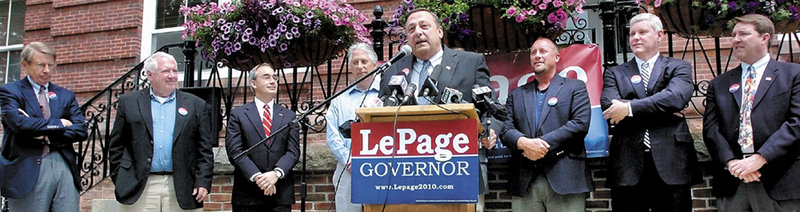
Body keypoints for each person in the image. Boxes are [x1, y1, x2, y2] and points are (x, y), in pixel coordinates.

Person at [377, 8, 497, 210]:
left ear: (440, 32)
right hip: (405, 171)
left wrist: (491, 129)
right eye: (411, 29)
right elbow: (381, 112)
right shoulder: (393, 70)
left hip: (458, 167)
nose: (418, 32)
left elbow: (491, 105)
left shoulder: (470, 62)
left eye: (424, 26)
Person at [600, 13, 701, 211]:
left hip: (672, 162)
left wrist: (628, 108)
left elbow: (676, 97)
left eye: (642, 32)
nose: (636, 37)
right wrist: (663, 109)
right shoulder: (615, 72)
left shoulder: (678, 67)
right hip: (628, 164)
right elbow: (608, 104)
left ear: (659, 35)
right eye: (632, 34)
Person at [703, 14, 800, 211]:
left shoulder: (793, 75)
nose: (736, 39)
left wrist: (760, 158)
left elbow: (796, 122)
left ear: (764, 38)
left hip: (778, 181)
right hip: (734, 182)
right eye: (734, 34)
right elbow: (711, 130)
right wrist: (732, 163)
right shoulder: (719, 83)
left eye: (744, 34)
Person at [108, 52, 214, 211]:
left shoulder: (196, 105)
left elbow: (204, 149)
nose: (172, 76)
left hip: (182, 186)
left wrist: (203, 181)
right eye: (165, 71)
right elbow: (116, 145)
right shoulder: (128, 102)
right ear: (150, 75)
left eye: (174, 71)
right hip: (141, 187)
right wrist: (122, 177)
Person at [501, 37, 592, 212]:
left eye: (543, 51)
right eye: (533, 52)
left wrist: (539, 144)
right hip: (525, 180)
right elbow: (505, 129)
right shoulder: (517, 94)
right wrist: (524, 143)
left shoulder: (575, 87)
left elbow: (579, 124)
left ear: (557, 57)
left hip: (565, 177)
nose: (537, 56)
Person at [0, 42, 87, 212]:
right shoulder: (10, 92)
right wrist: (60, 123)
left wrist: (45, 135)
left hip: (63, 164)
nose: (47, 70)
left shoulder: (65, 95)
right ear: (25, 64)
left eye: (51, 65)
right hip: (26, 168)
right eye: (41, 65)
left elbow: (80, 130)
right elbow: (20, 125)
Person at [226, 63, 299, 212]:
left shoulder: (288, 116)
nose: (273, 81)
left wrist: (275, 174)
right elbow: (235, 151)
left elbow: (293, 151)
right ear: (253, 83)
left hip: (280, 194)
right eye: (266, 77)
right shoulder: (238, 114)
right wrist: (259, 178)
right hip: (247, 195)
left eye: (275, 77)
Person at [325, 43, 381, 212]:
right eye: (355, 62)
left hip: (381, 168)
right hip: (348, 171)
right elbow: (332, 136)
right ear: (350, 67)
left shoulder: (387, 94)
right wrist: (349, 160)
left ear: (374, 64)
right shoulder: (339, 100)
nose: (360, 66)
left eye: (364, 61)